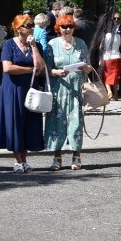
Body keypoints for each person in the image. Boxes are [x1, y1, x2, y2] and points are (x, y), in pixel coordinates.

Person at [0, 14, 46, 173]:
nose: (31, 28)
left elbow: (41, 68)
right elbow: (7, 68)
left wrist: (34, 47)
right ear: (18, 28)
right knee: (15, 122)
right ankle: (17, 160)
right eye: (27, 26)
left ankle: (25, 159)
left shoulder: (36, 45)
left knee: (28, 123)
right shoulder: (8, 45)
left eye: (32, 26)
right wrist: (30, 70)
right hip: (13, 90)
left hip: (31, 90)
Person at [43, 14, 93, 171]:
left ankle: (76, 156)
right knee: (56, 124)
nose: (67, 29)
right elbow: (46, 69)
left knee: (76, 123)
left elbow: (89, 66)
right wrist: (57, 72)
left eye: (70, 26)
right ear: (58, 28)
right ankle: (57, 158)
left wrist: (87, 68)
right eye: (64, 26)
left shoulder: (81, 44)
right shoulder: (52, 44)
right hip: (58, 90)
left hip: (75, 90)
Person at [102, 19, 121, 100]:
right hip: (117, 56)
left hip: (107, 57)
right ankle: (116, 95)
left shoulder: (104, 37)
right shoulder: (119, 36)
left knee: (107, 75)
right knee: (116, 76)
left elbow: (101, 47)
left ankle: (109, 91)